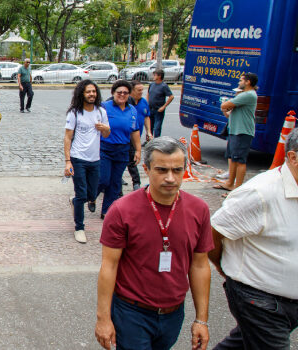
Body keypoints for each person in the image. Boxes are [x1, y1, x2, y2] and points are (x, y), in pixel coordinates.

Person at [95, 136, 212, 350]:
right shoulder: (122, 210)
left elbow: (200, 265)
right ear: (146, 169)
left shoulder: (199, 210)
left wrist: (201, 320)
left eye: (177, 170)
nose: (170, 178)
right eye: (161, 170)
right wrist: (103, 318)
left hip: (174, 314)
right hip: (132, 314)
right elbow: (109, 265)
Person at [208, 128, 298, 350]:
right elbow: (213, 232)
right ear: (293, 158)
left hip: (289, 301)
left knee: (241, 344)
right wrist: (223, 265)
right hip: (260, 301)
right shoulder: (260, 193)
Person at [64, 80, 110, 243]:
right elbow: (67, 137)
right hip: (78, 158)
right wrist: (68, 161)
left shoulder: (101, 112)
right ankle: (79, 228)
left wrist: (106, 129)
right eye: (88, 92)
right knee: (81, 193)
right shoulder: (75, 113)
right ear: (82, 94)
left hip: (95, 159)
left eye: (94, 91)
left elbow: (106, 134)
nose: (92, 94)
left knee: (92, 194)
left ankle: (76, 201)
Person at [99, 80, 141, 218]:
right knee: (103, 179)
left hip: (123, 150)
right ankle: (87, 197)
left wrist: (138, 150)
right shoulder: (104, 107)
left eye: (125, 93)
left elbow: (135, 131)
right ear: (113, 93)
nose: (122, 95)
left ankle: (107, 211)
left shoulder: (132, 110)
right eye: (119, 92)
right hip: (105, 148)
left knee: (115, 182)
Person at [214, 73, 258, 195]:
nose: (239, 83)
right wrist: (225, 108)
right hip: (235, 130)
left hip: (242, 131)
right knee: (232, 159)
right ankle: (230, 183)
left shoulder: (248, 95)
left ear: (248, 82)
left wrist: (225, 104)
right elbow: (228, 112)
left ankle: (237, 190)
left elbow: (225, 105)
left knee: (240, 161)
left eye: (241, 80)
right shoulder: (243, 95)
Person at [128, 80, 152, 191]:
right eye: (139, 90)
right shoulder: (125, 102)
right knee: (127, 160)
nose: (141, 92)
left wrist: (149, 132)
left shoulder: (143, 102)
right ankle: (134, 182)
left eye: (142, 90)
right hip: (124, 137)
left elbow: (147, 117)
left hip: (136, 137)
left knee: (132, 159)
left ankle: (136, 183)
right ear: (132, 91)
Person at [147, 69, 174, 138]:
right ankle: (149, 140)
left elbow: (171, 96)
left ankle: (156, 141)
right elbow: (148, 93)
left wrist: (163, 107)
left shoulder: (164, 86)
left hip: (158, 110)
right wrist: (147, 103)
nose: (153, 76)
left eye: (155, 75)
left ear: (159, 76)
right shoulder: (151, 84)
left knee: (157, 127)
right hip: (150, 108)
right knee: (149, 127)